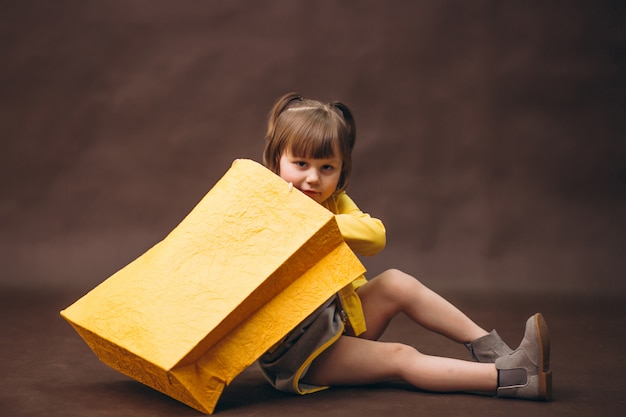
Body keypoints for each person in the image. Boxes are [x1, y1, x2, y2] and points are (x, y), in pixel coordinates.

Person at [258, 92, 552, 401]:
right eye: (300, 163)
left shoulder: (331, 203)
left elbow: (374, 236)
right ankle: (515, 378)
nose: (313, 179)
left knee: (396, 282)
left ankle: (499, 354)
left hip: (334, 323)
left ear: (342, 169)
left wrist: (316, 223)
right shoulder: (263, 207)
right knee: (400, 356)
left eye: (327, 168)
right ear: (275, 160)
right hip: (299, 356)